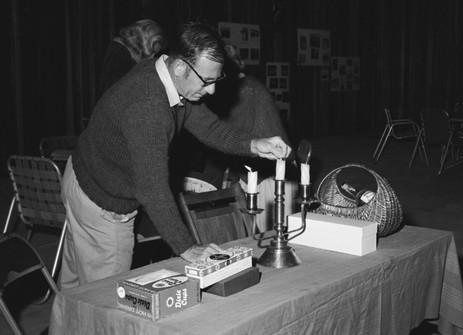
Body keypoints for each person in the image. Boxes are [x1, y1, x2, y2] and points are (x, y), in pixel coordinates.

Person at [59, 21, 291, 290]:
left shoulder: (163, 72)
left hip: (80, 175)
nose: (213, 90)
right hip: (102, 203)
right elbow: (153, 190)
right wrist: (189, 248)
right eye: (207, 81)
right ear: (180, 67)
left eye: (217, 80)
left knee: (73, 290)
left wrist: (254, 144)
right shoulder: (148, 107)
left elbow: (210, 127)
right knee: (103, 301)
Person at [196, 44, 299, 232]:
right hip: (263, 166)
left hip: (271, 171)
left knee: (270, 232)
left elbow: (231, 133)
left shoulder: (246, 88)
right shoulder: (241, 86)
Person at [97, 19, 166, 99]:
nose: (152, 57)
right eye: (151, 53)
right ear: (140, 45)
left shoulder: (122, 52)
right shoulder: (118, 55)